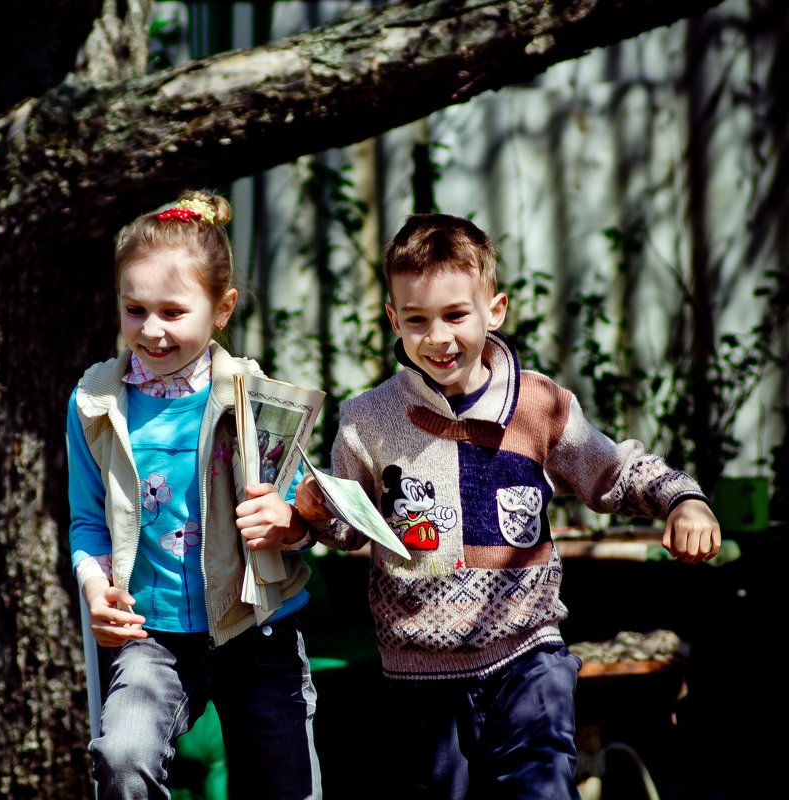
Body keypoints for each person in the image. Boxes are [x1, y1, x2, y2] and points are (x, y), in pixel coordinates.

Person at [295, 213, 721, 799]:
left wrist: (683, 499)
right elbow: (348, 527)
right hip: (420, 675)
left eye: (455, 315)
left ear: (493, 311)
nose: (437, 337)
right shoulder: (367, 418)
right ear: (393, 320)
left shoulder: (540, 405)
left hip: (527, 657)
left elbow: (613, 471)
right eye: (416, 320)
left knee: (541, 789)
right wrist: (319, 513)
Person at [67, 190, 322, 800]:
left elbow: (297, 516)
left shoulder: (253, 398)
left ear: (222, 308)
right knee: (123, 757)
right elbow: (86, 520)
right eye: (135, 310)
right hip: (150, 634)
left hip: (256, 628)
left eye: (173, 312)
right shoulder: (95, 403)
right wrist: (95, 587)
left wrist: (291, 521)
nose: (151, 331)